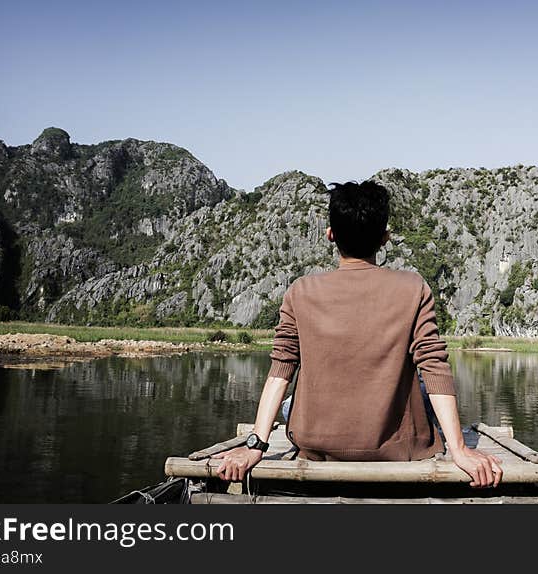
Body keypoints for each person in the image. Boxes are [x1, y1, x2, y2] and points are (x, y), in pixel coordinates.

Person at [212, 181, 502, 488]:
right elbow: (434, 366)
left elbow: (281, 370)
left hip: (317, 444)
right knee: (418, 381)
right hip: (398, 447)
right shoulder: (413, 288)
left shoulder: (300, 292)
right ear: (385, 238)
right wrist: (458, 449)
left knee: (291, 403)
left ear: (330, 235)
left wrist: (256, 444)